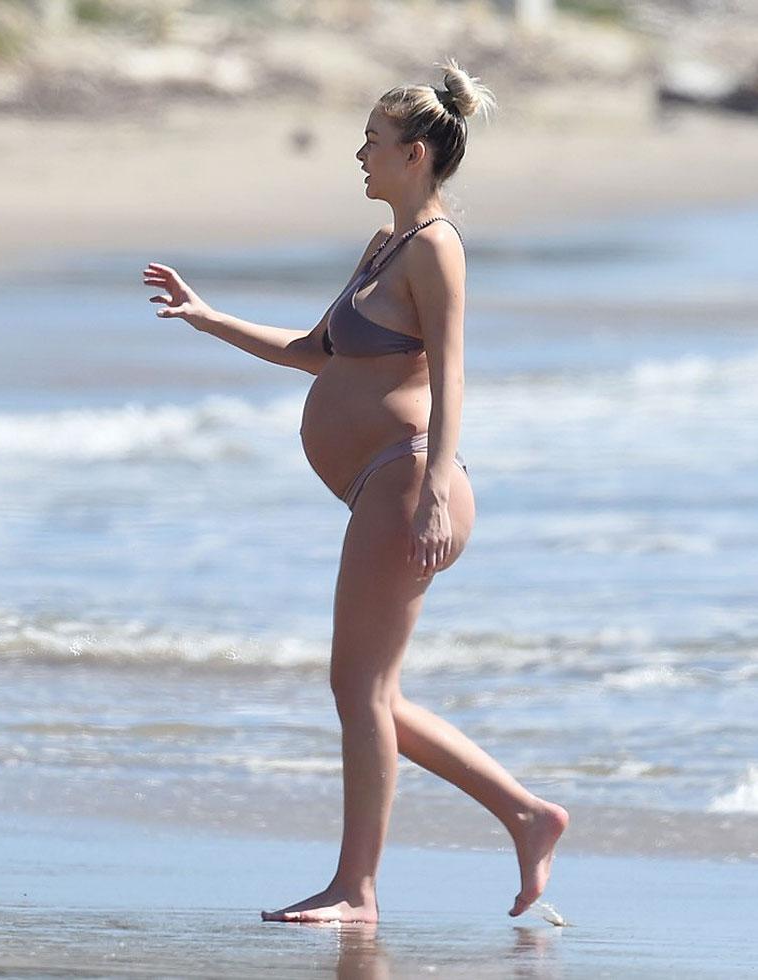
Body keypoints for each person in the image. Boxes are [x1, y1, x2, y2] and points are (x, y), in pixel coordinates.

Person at [141, 61, 567, 924]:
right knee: (372, 694)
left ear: (414, 154)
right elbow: (314, 351)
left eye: (372, 141)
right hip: (385, 482)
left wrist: (437, 490)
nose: (358, 154)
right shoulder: (386, 247)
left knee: (360, 691)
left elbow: (452, 378)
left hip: (409, 477)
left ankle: (357, 890)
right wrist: (206, 314)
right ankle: (526, 815)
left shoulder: (438, 249)